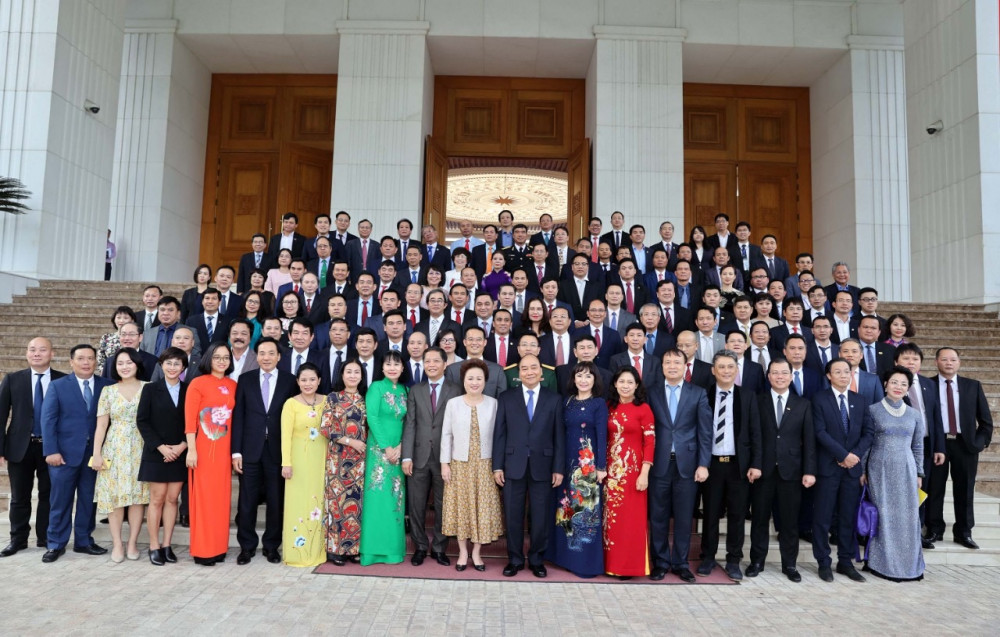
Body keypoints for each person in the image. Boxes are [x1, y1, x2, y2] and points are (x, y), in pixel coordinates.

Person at [493, 354, 565, 578]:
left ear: (542, 372)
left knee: (540, 516)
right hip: (512, 465)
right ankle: (514, 559)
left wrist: (558, 468)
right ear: (519, 373)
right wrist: (497, 466)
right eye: (524, 368)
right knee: (513, 516)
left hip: (543, 466)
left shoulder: (554, 399)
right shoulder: (506, 397)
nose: (529, 372)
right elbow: (499, 434)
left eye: (534, 367)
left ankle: (536, 559)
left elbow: (559, 436)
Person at [40, 344, 112, 563]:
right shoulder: (58, 386)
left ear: (96, 361)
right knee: (60, 501)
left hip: (94, 455)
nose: (86, 362)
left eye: (90, 358)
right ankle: (55, 543)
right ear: (71, 362)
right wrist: (51, 450)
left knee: (88, 500)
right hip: (63, 455)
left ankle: (83, 540)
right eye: (81, 358)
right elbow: (48, 419)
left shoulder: (107, 385)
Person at [746, 358, 816, 582]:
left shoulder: (803, 404)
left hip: (791, 471)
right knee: (759, 519)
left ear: (791, 376)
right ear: (768, 376)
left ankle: (790, 564)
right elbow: (753, 436)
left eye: (784, 373)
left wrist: (809, 471)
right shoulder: (758, 401)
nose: (780, 377)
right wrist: (754, 464)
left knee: (789, 521)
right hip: (762, 470)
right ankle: (757, 561)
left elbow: (809, 441)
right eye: (775, 373)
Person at [697, 350, 761, 581]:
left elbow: (755, 432)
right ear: (713, 370)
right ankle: (708, 557)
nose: (726, 371)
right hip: (712, 464)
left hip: (738, 466)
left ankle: (734, 560)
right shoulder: (703, 394)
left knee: (737, 515)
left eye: (730, 367)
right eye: (721, 367)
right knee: (711, 513)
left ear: (737, 370)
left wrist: (755, 464)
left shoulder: (748, 396)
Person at [232, 337, 296, 565]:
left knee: (275, 501)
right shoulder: (245, 379)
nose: (266, 357)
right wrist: (236, 452)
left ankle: (271, 546)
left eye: (271, 353)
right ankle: (246, 547)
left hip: (277, 451)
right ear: (256, 356)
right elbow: (238, 416)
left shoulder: (290, 381)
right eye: (262, 353)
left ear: (278, 357)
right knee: (247, 501)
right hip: (250, 450)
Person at [0, 338, 66, 557]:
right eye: (32, 350)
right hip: (20, 446)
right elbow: (1, 415)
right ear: (27, 353)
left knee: (49, 495)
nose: (37, 353)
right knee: (19, 497)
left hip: (52, 447)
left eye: (42, 350)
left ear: (52, 353)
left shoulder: (63, 380)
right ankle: (17, 540)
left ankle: (45, 537)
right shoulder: (13, 379)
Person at [860, 366, 925, 581]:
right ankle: (880, 564)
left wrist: (919, 473)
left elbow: (918, 446)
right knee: (883, 515)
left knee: (907, 517)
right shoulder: (872, 410)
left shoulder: (914, 414)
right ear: (885, 384)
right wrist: (862, 470)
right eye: (894, 382)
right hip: (879, 469)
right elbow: (867, 444)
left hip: (906, 469)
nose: (898, 387)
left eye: (904, 384)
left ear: (908, 388)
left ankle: (908, 566)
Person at [811, 357, 873, 582]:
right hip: (828, 468)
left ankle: (845, 562)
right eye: (837, 372)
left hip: (852, 470)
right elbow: (819, 432)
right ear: (829, 376)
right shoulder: (819, 399)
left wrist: (853, 456)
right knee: (823, 517)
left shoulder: (860, 400)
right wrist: (842, 455)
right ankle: (823, 562)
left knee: (848, 518)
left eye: (846, 371)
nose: (843, 375)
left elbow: (868, 432)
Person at [440, 359, 504, 572]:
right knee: (462, 508)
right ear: (463, 381)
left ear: (485, 381)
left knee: (481, 509)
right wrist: (445, 464)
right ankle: (462, 552)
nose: (474, 382)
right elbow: (446, 435)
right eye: (470, 378)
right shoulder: (453, 403)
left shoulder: (494, 404)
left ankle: (476, 552)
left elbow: (500, 436)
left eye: (479, 378)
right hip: (459, 464)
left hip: (485, 465)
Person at [927, 347, 994, 550]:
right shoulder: (927, 385)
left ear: (959, 362)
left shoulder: (972, 386)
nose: (949, 363)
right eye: (944, 359)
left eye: (953, 359)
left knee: (965, 489)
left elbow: (985, 420)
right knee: (934, 488)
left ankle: (964, 532)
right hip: (937, 444)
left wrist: (979, 443)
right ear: (936, 362)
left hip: (965, 445)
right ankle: (934, 529)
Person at [547, 361, 608, 577]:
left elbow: (602, 435)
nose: (583, 380)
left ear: (595, 380)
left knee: (585, 512)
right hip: (566, 464)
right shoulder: (567, 401)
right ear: (573, 379)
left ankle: (585, 563)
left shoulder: (599, 403)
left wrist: (601, 467)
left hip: (587, 468)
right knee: (565, 510)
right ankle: (565, 558)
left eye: (588, 376)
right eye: (579, 376)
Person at [402, 347, 460, 566]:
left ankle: (439, 548)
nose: (431, 365)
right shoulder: (415, 390)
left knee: (443, 504)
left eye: (436, 361)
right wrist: (407, 456)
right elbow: (410, 424)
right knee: (416, 505)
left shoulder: (456, 389)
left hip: (446, 458)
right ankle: (420, 546)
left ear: (445, 364)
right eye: (427, 361)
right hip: (418, 456)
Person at [91, 348, 150, 563]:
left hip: (141, 448)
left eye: (129, 362)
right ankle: (117, 543)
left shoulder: (149, 388)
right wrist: (96, 454)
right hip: (114, 448)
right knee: (114, 498)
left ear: (137, 364)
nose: (125, 367)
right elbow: (101, 425)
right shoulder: (108, 391)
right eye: (120, 363)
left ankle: (132, 542)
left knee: (137, 498)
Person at [184, 343, 237, 566]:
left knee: (221, 500)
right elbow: (190, 421)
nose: (222, 361)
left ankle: (219, 547)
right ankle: (203, 550)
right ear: (209, 359)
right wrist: (192, 449)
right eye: (217, 357)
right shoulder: (198, 383)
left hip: (224, 451)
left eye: (226, 357)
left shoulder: (233, 385)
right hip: (203, 450)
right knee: (204, 500)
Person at [135, 347, 188, 566]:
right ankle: (154, 545)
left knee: (172, 499)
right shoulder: (150, 389)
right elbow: (142, 420)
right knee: (156, 499)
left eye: (177, 363)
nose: (172, 367)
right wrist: (161, 447)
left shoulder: (189, 389)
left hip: (180, 451)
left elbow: (194, 421)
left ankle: (167, 545)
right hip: (157, 453)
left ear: (183, 367)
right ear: (161, 365)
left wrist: (182, 446)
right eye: (168, 363)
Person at [603, 366, 655, 579]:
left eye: (630, 382)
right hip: (609, 473)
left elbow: (650, 442)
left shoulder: (643, 409)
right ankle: (609, 563)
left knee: (630, 521)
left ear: (636, 385)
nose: (625, 385)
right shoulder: (608, 407)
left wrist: (644, 473)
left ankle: (628, 567)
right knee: (610, 520)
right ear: (615, 384)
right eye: (621, 381)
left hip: (633, 473)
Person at [360, 351, 408, 565]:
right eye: (388, 364)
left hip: (399, 451)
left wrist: (401, 446)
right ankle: (371, 551)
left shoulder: (406, 390)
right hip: (378, 451)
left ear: (403, 368)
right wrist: (386, 447)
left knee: (394, 499)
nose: (392, 368)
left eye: (396, 364)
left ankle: (393, 551)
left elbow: (409, 421)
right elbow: (372, 417)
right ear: (381, 368)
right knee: (377, 498)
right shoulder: (376, 388)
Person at [319, 359, 368, 565]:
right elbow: (325, 428)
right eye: (349, 371)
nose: (352, 375)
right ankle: (335, 550)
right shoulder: (333, 398)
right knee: (337, 504)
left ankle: (353, 549)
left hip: (359, 461)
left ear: (362, 376)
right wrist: (350, 441)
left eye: (357, 372)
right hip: (337, 460)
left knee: (355, 506)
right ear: (342, 375)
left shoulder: (365, 399)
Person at [279, 363, 328, 568]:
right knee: (298, 504)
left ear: (319, 381)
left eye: (312, 379)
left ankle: (317, 550)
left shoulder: (327, 401)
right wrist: (286, 463)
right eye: (304, 380)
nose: (308, 383)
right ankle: (297, 552)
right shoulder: (291, 404)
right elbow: (285, 436)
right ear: (298, 382)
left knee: (319, 503)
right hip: (298, 462)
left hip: (322, 460)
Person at [97, 306, 137, 372]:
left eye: (125, 318)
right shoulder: (106, 337)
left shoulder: (136, 337)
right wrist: (104, 372)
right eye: (118, 317)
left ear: (132, 320)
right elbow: (101, 358)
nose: (121, 321)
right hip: (109, 373)